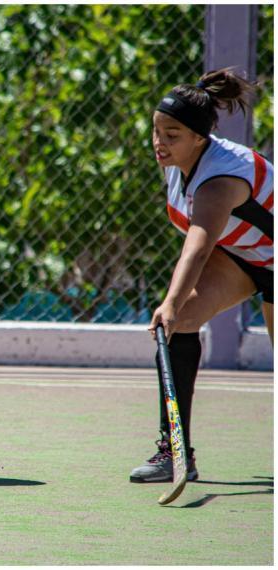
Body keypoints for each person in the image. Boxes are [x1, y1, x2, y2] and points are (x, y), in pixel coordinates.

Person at [130, 68, 273, 484]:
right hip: (245, 255)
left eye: (171, 134)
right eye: (156, 130)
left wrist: (169, 303)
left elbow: (198, 245)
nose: (159, 142)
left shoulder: (220, 180)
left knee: (177, 313)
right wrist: (177, 310)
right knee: (182, 325)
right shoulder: (177, 161)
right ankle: (175, 453)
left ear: (199, 137)